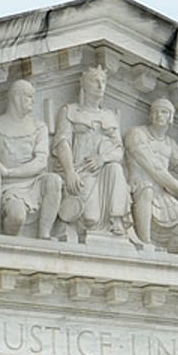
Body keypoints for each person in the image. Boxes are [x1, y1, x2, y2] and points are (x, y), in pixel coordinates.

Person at [52, 66, 130, 237]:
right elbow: (62, 143)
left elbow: (119, 150)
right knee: (91, 218)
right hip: (80, 171)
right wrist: (70, 172)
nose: (100, 85)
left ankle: (116, 219)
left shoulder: (110, 116)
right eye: (95, 81)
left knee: (116, 168)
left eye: (103, 81)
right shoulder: (70, 110)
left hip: (103, 170)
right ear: (83, 84)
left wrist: (103, 158)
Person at [123, 98, 178, 253]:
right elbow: (152, 166)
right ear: (150, 115)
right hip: (138, 188)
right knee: (146, 188)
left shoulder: (170, 144)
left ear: (171, 117)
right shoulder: (137, 134)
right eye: (155, 111)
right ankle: (145, 244)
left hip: (162, 194)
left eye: (164, 112)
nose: (159, 115)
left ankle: (163, 255)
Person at [0, 80, 63, 239]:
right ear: (17, 97)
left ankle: (44, 234)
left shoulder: (38, 126)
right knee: (16, 217)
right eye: (29, 96)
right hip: (9, 187)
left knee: (54, 181)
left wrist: (9, 172)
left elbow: (41, 162)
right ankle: (9, 244)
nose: (33, 101)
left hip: (34, 182)